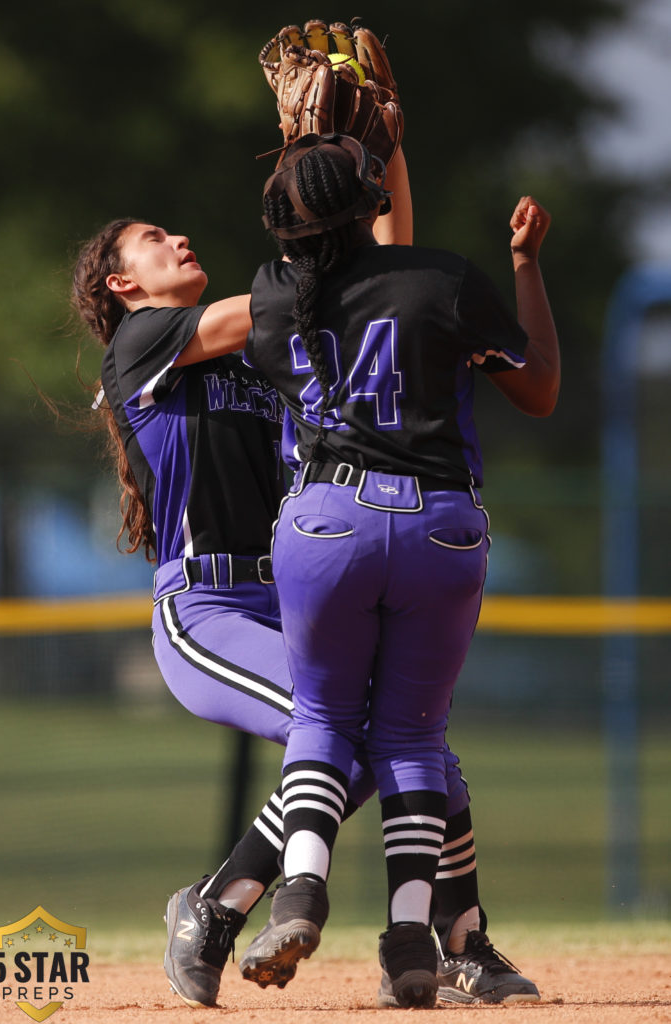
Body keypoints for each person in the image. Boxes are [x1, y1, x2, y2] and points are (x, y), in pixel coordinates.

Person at [232, 133, 560, 1008]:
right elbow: (538, 388)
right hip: (438, 530)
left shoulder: (270, 295)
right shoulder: (442, 280)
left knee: (323, 717)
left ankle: (300, 883)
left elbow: (353, 273)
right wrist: (525, 266)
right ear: (372, 203)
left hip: (323, 522)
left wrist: (335, 161)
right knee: (412, 736)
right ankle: (412, 936)